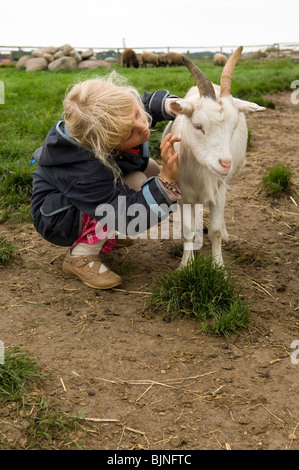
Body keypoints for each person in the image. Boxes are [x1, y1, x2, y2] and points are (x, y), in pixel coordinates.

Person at [31, 72, 181, 289]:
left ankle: (103, 235)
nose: (143, 127)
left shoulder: (109, 120)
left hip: (84, 196)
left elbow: (142, 105)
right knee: (138, 184)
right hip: (58, 219)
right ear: (100, 147)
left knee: (150, 169)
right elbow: (127, 216)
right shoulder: (84, 170)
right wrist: (167, 181)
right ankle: (81, 256)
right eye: (130, 133)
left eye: (138, 115)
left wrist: (171, 105)